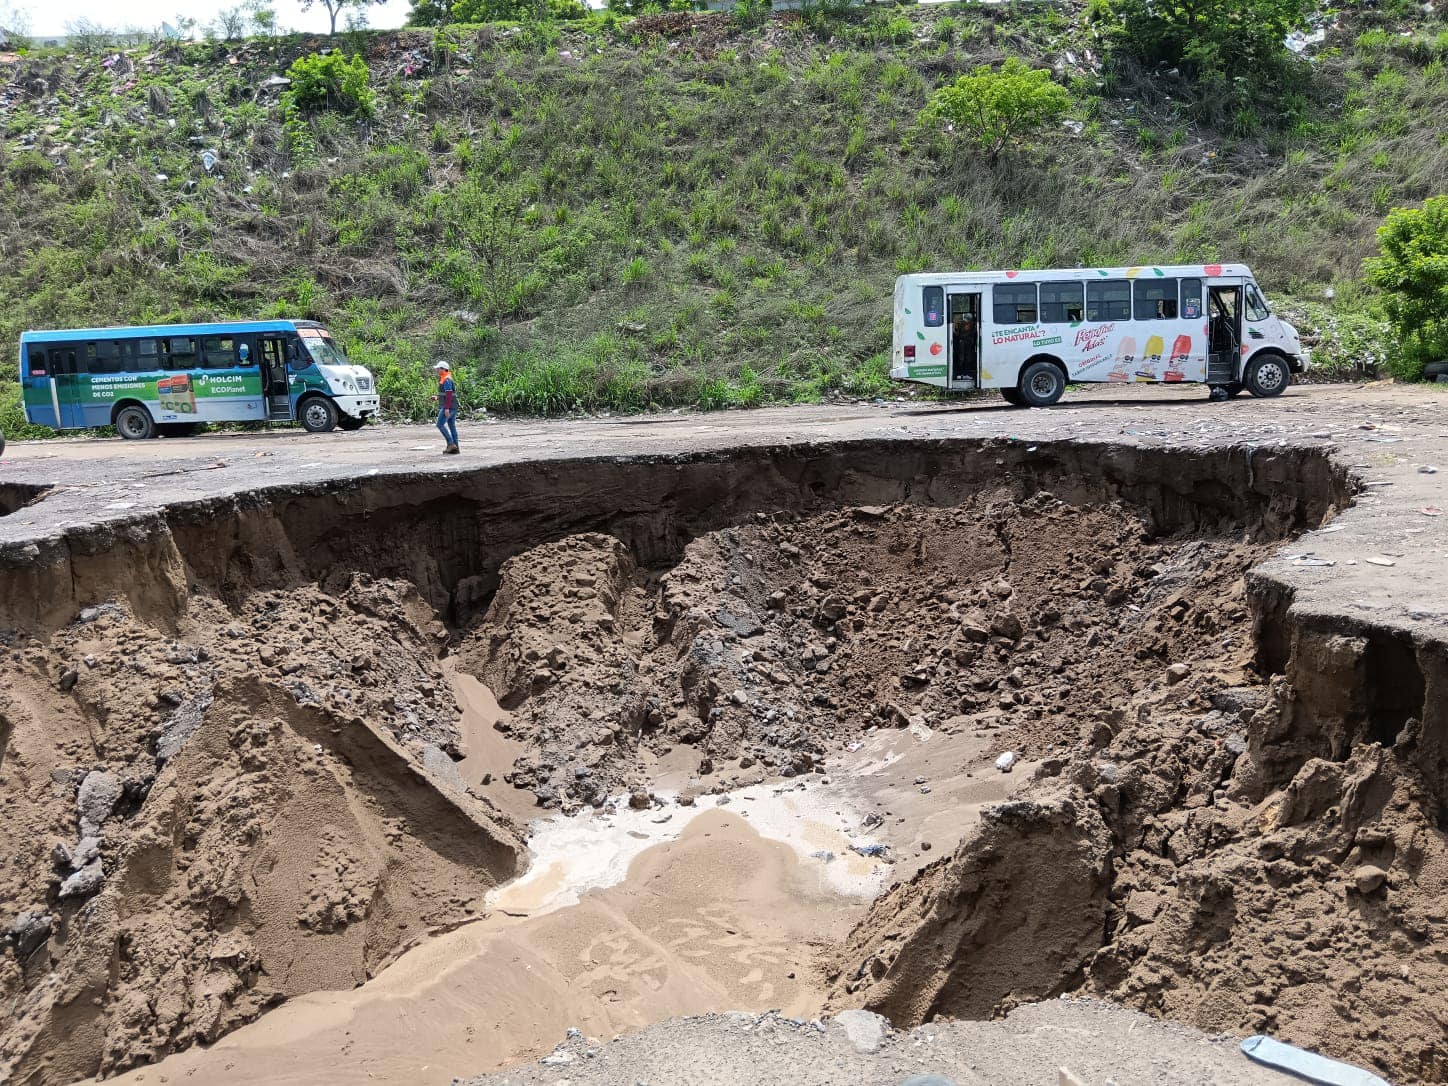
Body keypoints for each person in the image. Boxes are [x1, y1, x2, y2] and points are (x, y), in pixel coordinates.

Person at [434, 360, 459, 455]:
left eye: (438, 368)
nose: (437, 370)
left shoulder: (447, 379)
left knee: (439, 424)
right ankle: (455, 448)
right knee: (452, 426)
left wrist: (447, 408)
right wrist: (437, 398)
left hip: (448, 407)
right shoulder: (445, 378)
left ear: (443, 369)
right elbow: (445, 394)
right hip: (452, 406)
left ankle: (451, 444)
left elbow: (449, 395)